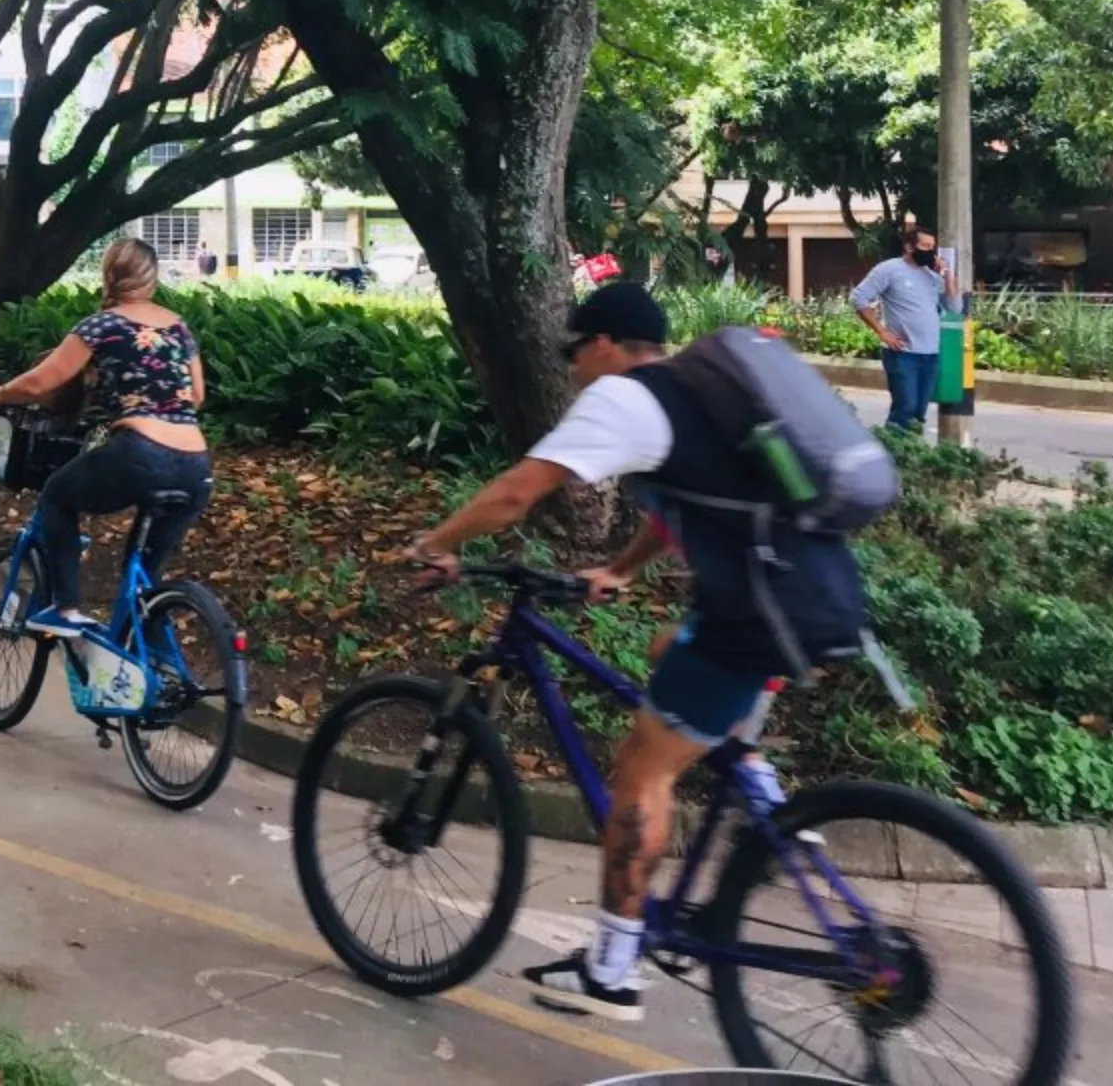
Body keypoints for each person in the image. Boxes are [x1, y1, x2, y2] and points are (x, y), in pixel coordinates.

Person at [400, 283, 869, 1024]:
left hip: (754, 617)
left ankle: (613, 969)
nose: (575, 368)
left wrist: (439, 544)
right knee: (664, 651)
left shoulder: (623, 399)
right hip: (812, 595)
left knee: (641, 769)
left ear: (604, 345)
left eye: (576, 352)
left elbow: (518, 492)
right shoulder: (692, 398)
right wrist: (620, 567)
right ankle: (765, 807)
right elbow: (686, 506)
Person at [0, 238, 212, 637]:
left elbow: (39, 383)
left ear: (110, 274)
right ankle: (148, 666)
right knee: (145, 584)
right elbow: (197, 396)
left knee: (57, 495)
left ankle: (65, 610)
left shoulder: (102, 325)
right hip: (196, 466)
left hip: (141, 454)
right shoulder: (178, 328)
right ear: (152, 280)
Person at [850, 226, 955, 432]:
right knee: (904, 408)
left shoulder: (932, 276)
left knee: (919, 412)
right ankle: (896, 454)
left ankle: (912, 454)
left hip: (930, 353)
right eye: (924, 246)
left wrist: (947, 273)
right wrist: (882, 332)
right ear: (909, 246)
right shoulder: (889, 269)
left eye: (932, 247)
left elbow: (954, 306)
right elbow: (858, 299)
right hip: (902, 353)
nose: (929, 251)